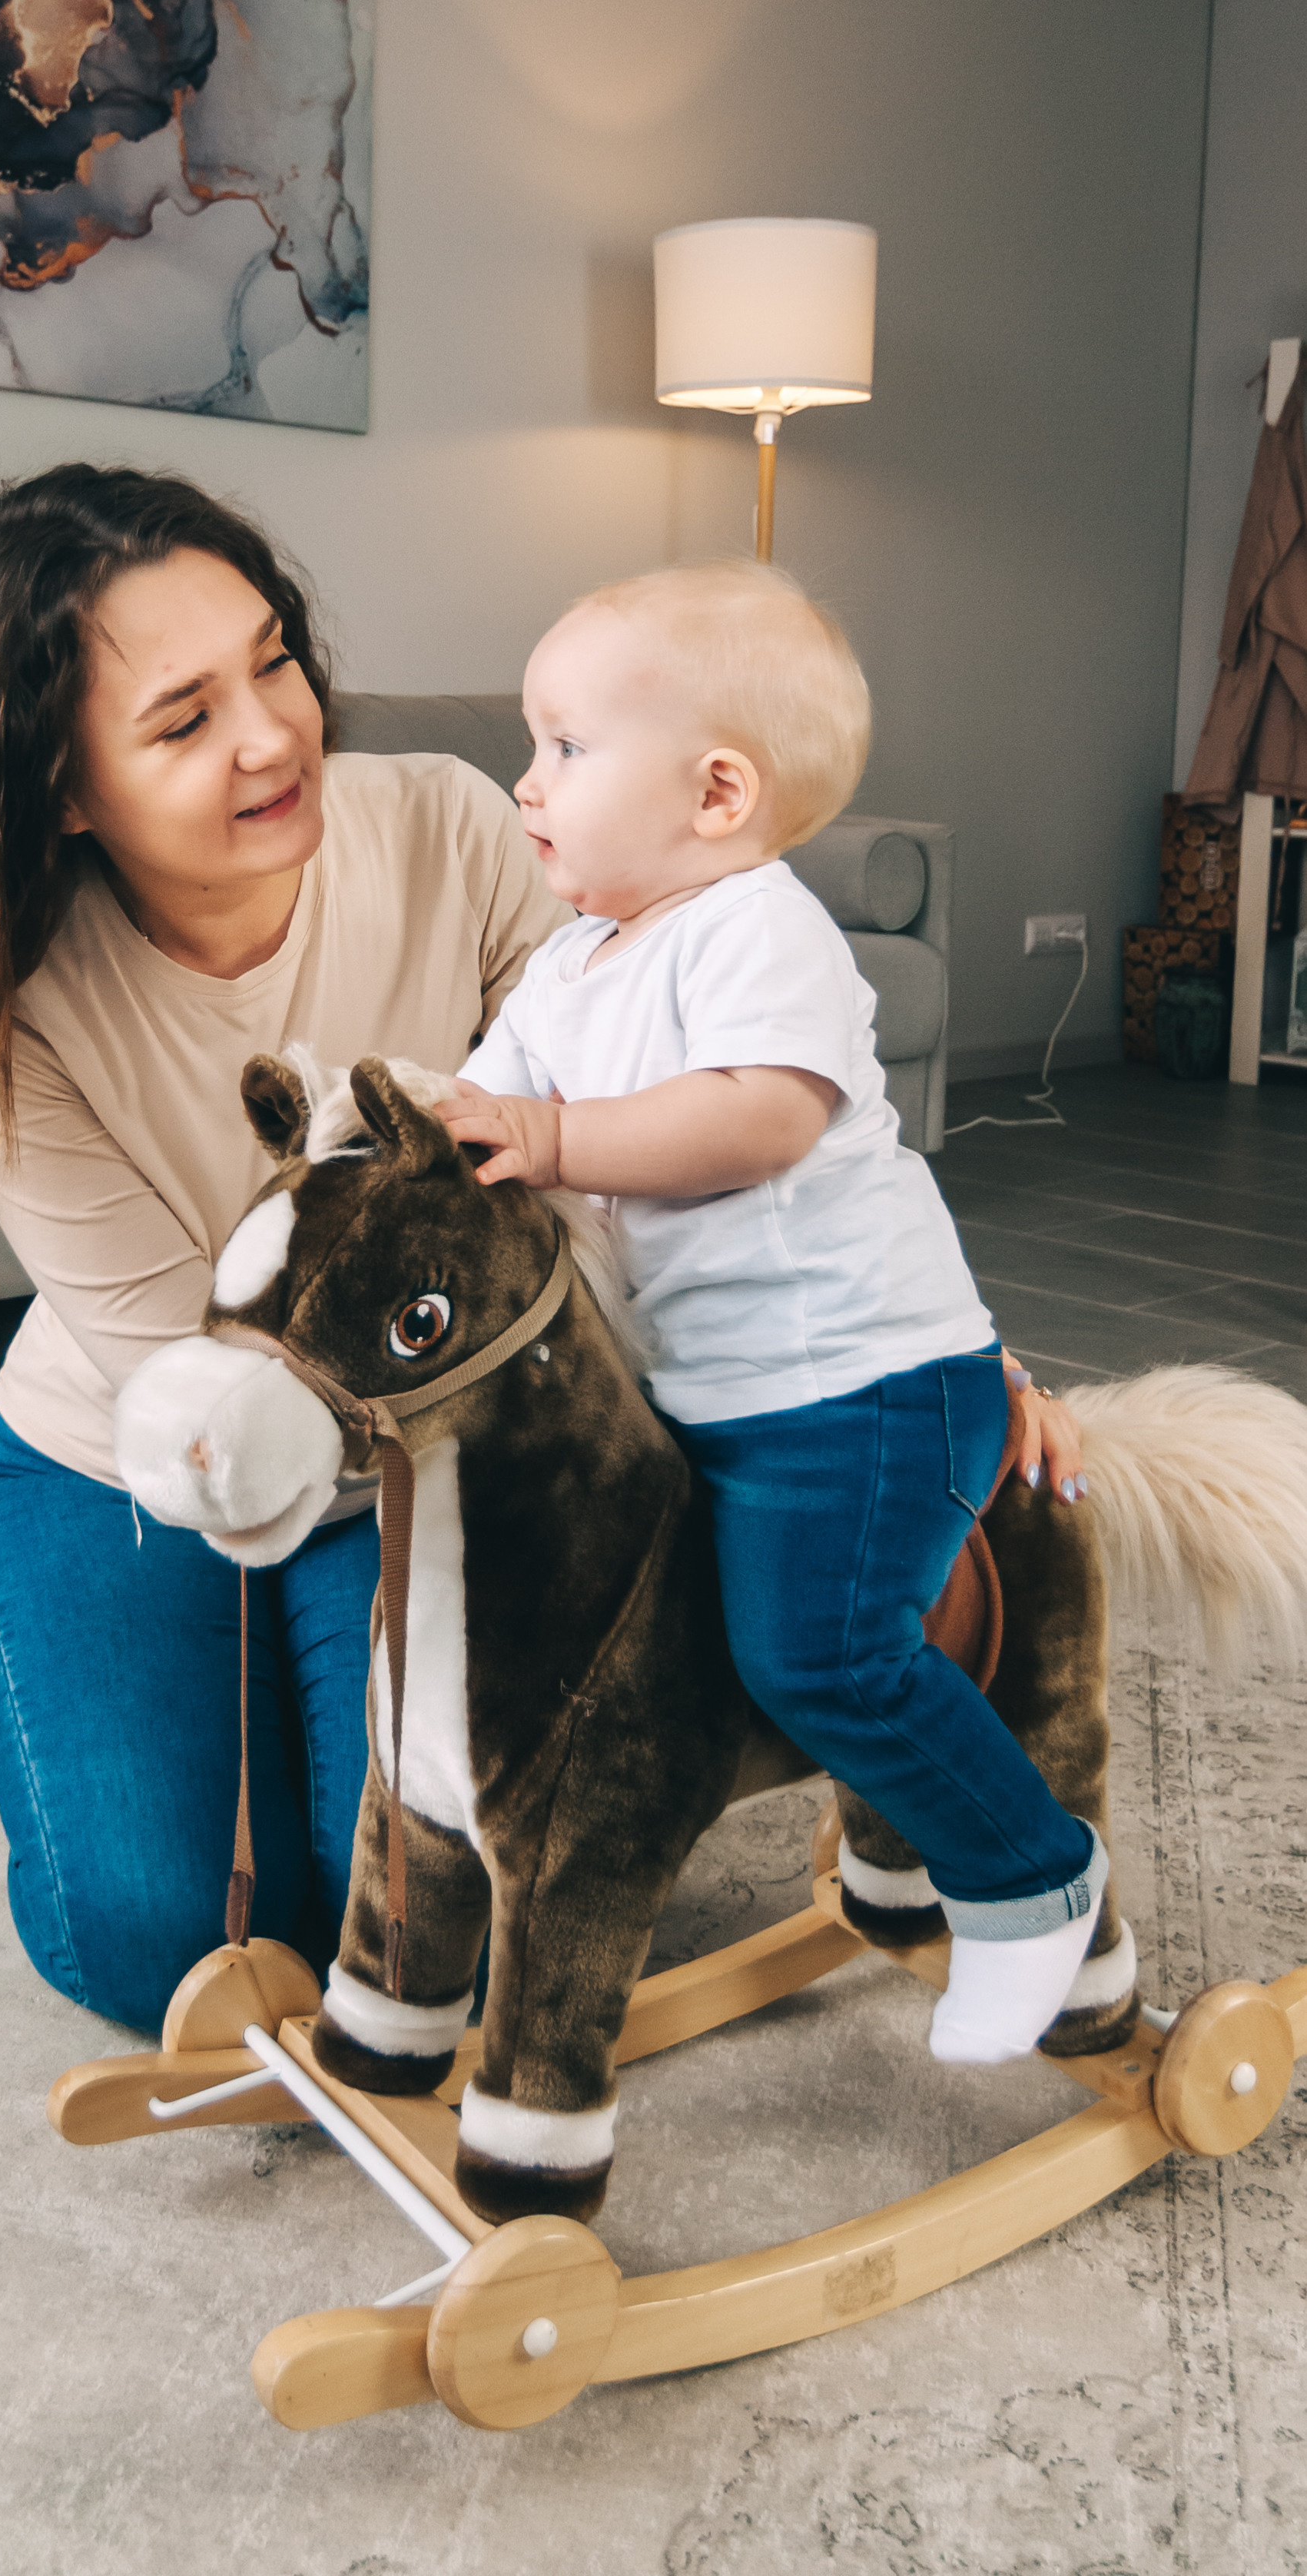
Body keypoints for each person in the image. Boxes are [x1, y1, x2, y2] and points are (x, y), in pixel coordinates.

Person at [0, 463, 563, 2032]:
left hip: (426, 1440)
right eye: (183, 720)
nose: (273, 734)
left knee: (438, 1927)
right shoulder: (4, 1001)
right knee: (161, 1937)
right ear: (62, 789)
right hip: (141, 1444)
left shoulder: (448, 827)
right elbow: (215, 1385)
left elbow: (626, 1138)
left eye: (272, 660)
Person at [437, 561, 1099, 2066]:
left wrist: (548, 1138)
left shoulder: (753, 928)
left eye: (563, 746)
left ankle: (1030, 1878)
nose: (524, 781)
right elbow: (475, 1106)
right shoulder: (565, 962)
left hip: (855, 1391)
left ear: (717, 792)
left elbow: (754, 1117)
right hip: (710, 1393)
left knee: (821, 1656)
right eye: (532, 744)